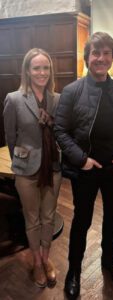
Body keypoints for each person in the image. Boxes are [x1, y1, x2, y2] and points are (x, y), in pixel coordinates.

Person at [54, 32, 113, 298]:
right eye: (95, 53)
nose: (100, 58)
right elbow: (60, 130)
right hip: (85, 170)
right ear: (88, 57)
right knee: (81, 220)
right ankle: (74, 270)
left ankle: (109, 261)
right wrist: (81, 159)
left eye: (106, 53)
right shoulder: (72, 91)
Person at [3, 48, 61, 288]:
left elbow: (60, 133)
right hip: (26, 170)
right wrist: (22, 159)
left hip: (53, 168)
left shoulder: (56, 99)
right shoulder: (14, 99)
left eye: (45, 68)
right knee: (33, 219)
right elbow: (10, 136)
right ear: (27, 70)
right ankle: (36, 262)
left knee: (48, 218)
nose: (41, 72)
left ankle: (47, 259)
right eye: (36, 68)